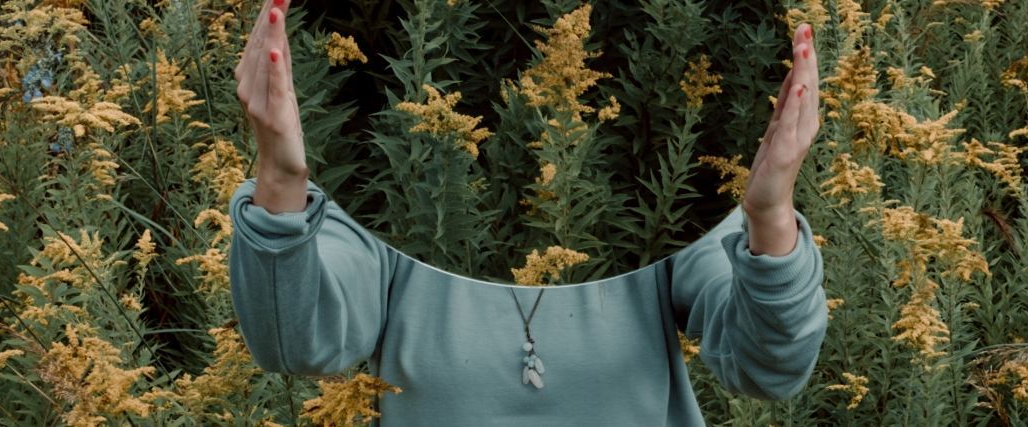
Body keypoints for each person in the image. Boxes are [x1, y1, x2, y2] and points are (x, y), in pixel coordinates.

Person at [229, 0, 827, 425]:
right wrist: (280, 179)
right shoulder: (390, 193)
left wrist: (770, 215)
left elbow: (766, 370)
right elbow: (297, 346)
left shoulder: (668, 211)